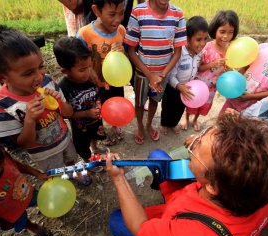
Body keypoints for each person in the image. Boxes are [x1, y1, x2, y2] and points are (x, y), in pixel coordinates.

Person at [106, 114, 268, 236]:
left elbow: (139, 227)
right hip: (191, 201)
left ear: (213, 185)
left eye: (197, 147)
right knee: (157, 157)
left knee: (116, 220)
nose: (191, 142)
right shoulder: (266, 185)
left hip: (181, 220)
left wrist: (118, 179)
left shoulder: (191, 234)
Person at [0, 26, 78, 173]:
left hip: (65, 140)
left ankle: (74, 172)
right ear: (2, 77)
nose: (39, 76)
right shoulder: (0, 105)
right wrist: (29, 120)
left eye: (41, 66)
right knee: (57, 174)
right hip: (44, 155)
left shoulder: (47, 81)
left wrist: (59, 103)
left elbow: (69, 113)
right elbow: (24, 143)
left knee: (72, 161)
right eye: (29, 73)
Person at [124, 0, 187, 144]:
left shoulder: (178, 14)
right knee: (139, 103)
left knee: (154, 101)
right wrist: (150, 75)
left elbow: (177, 51)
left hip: (162, 75)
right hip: (142, 73)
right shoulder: (138, 12)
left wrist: (162, 75)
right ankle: (140, 125)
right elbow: (131, 51)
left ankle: (148, 124)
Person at [77, 0, 126, 146]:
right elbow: (78, 59)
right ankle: (99, 135)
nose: (117, 19)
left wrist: (122, 52)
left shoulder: (121, 30)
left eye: (122, 13)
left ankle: (115, 125)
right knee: (97, 112)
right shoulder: (85, 34)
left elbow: (122, 59)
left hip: (115, 81)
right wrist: (89, 70)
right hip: (94, 85)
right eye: (112, 14)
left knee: (116, 104)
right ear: (97, 11)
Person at [182, 10, 239, 131]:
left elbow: (227, 74)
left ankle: (195, 119)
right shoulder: (206, 47)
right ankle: (186, 118)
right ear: (215, 30)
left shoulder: (231, 51)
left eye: (230, 32)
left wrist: (228, 70)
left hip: (212, 88)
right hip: (198, 84)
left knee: (203, 105)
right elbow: (198, 68)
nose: (225, 36)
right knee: (192, 102)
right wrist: (212, 64)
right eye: (222, 32)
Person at [53, 37, 107, 162]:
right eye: (82, 69)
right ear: (65, 71)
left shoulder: (90, 77)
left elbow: (96, 94)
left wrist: (99, 104)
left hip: (96, 119)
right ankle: (88, 160)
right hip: (80, 127)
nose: (88, 72)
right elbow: (67, 114)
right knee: (83, 145)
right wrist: (86, 113)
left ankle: (95, 148)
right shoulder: (63, 88)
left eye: (90, 66)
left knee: (95, 134)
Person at [159, 16, 209, 135]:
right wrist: (179, 86)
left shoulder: (199, 54)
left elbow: (195, 69)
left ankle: (173, 124)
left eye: (205, 39)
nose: (202, 43)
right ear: (187, 39)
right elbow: (171, 75)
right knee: (167, 108)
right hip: (173, 88)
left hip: (187, 89)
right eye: (198, 39)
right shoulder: (179, 53)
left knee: (180, 109)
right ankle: (164, 123)